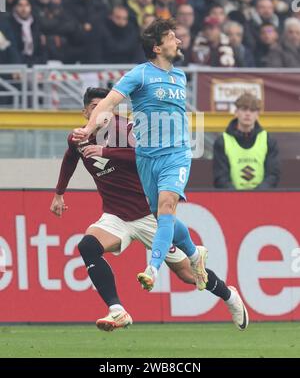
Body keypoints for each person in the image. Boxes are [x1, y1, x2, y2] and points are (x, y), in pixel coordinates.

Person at [52, 87, 249, 331]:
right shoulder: (78, 138)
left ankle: (229, 296)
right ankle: (117, 310)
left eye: (106, 106)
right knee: (87, 246)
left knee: (188, 275)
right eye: (95, 108)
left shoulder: (127, 130)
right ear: (85, 113)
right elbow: (71, 156)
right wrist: (59, 193)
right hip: (116, 216)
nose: (101, 112)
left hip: (150, 215)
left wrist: (105, 151)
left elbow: (144, 155)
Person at [72, 18, 210, 293]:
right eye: (173, 37)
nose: (179, 41)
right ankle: (195, 255)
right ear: (158, 47)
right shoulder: (140, 75)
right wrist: (89, 128)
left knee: (167, 206)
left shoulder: (180, 76)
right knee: (162, 217)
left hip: (177, 154)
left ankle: (153, 269)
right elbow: (109, 104)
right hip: (147, 158)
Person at [213, 93, 280, 190]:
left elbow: (273, 175)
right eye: (244, 109)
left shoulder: (268, 141)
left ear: (257, 114)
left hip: (262, 199)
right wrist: (237, 197)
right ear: (236, 112)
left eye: (252, 110)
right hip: (231, 200)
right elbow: (220, 178)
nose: (248, 113)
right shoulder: (222, 141)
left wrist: (256, 196)